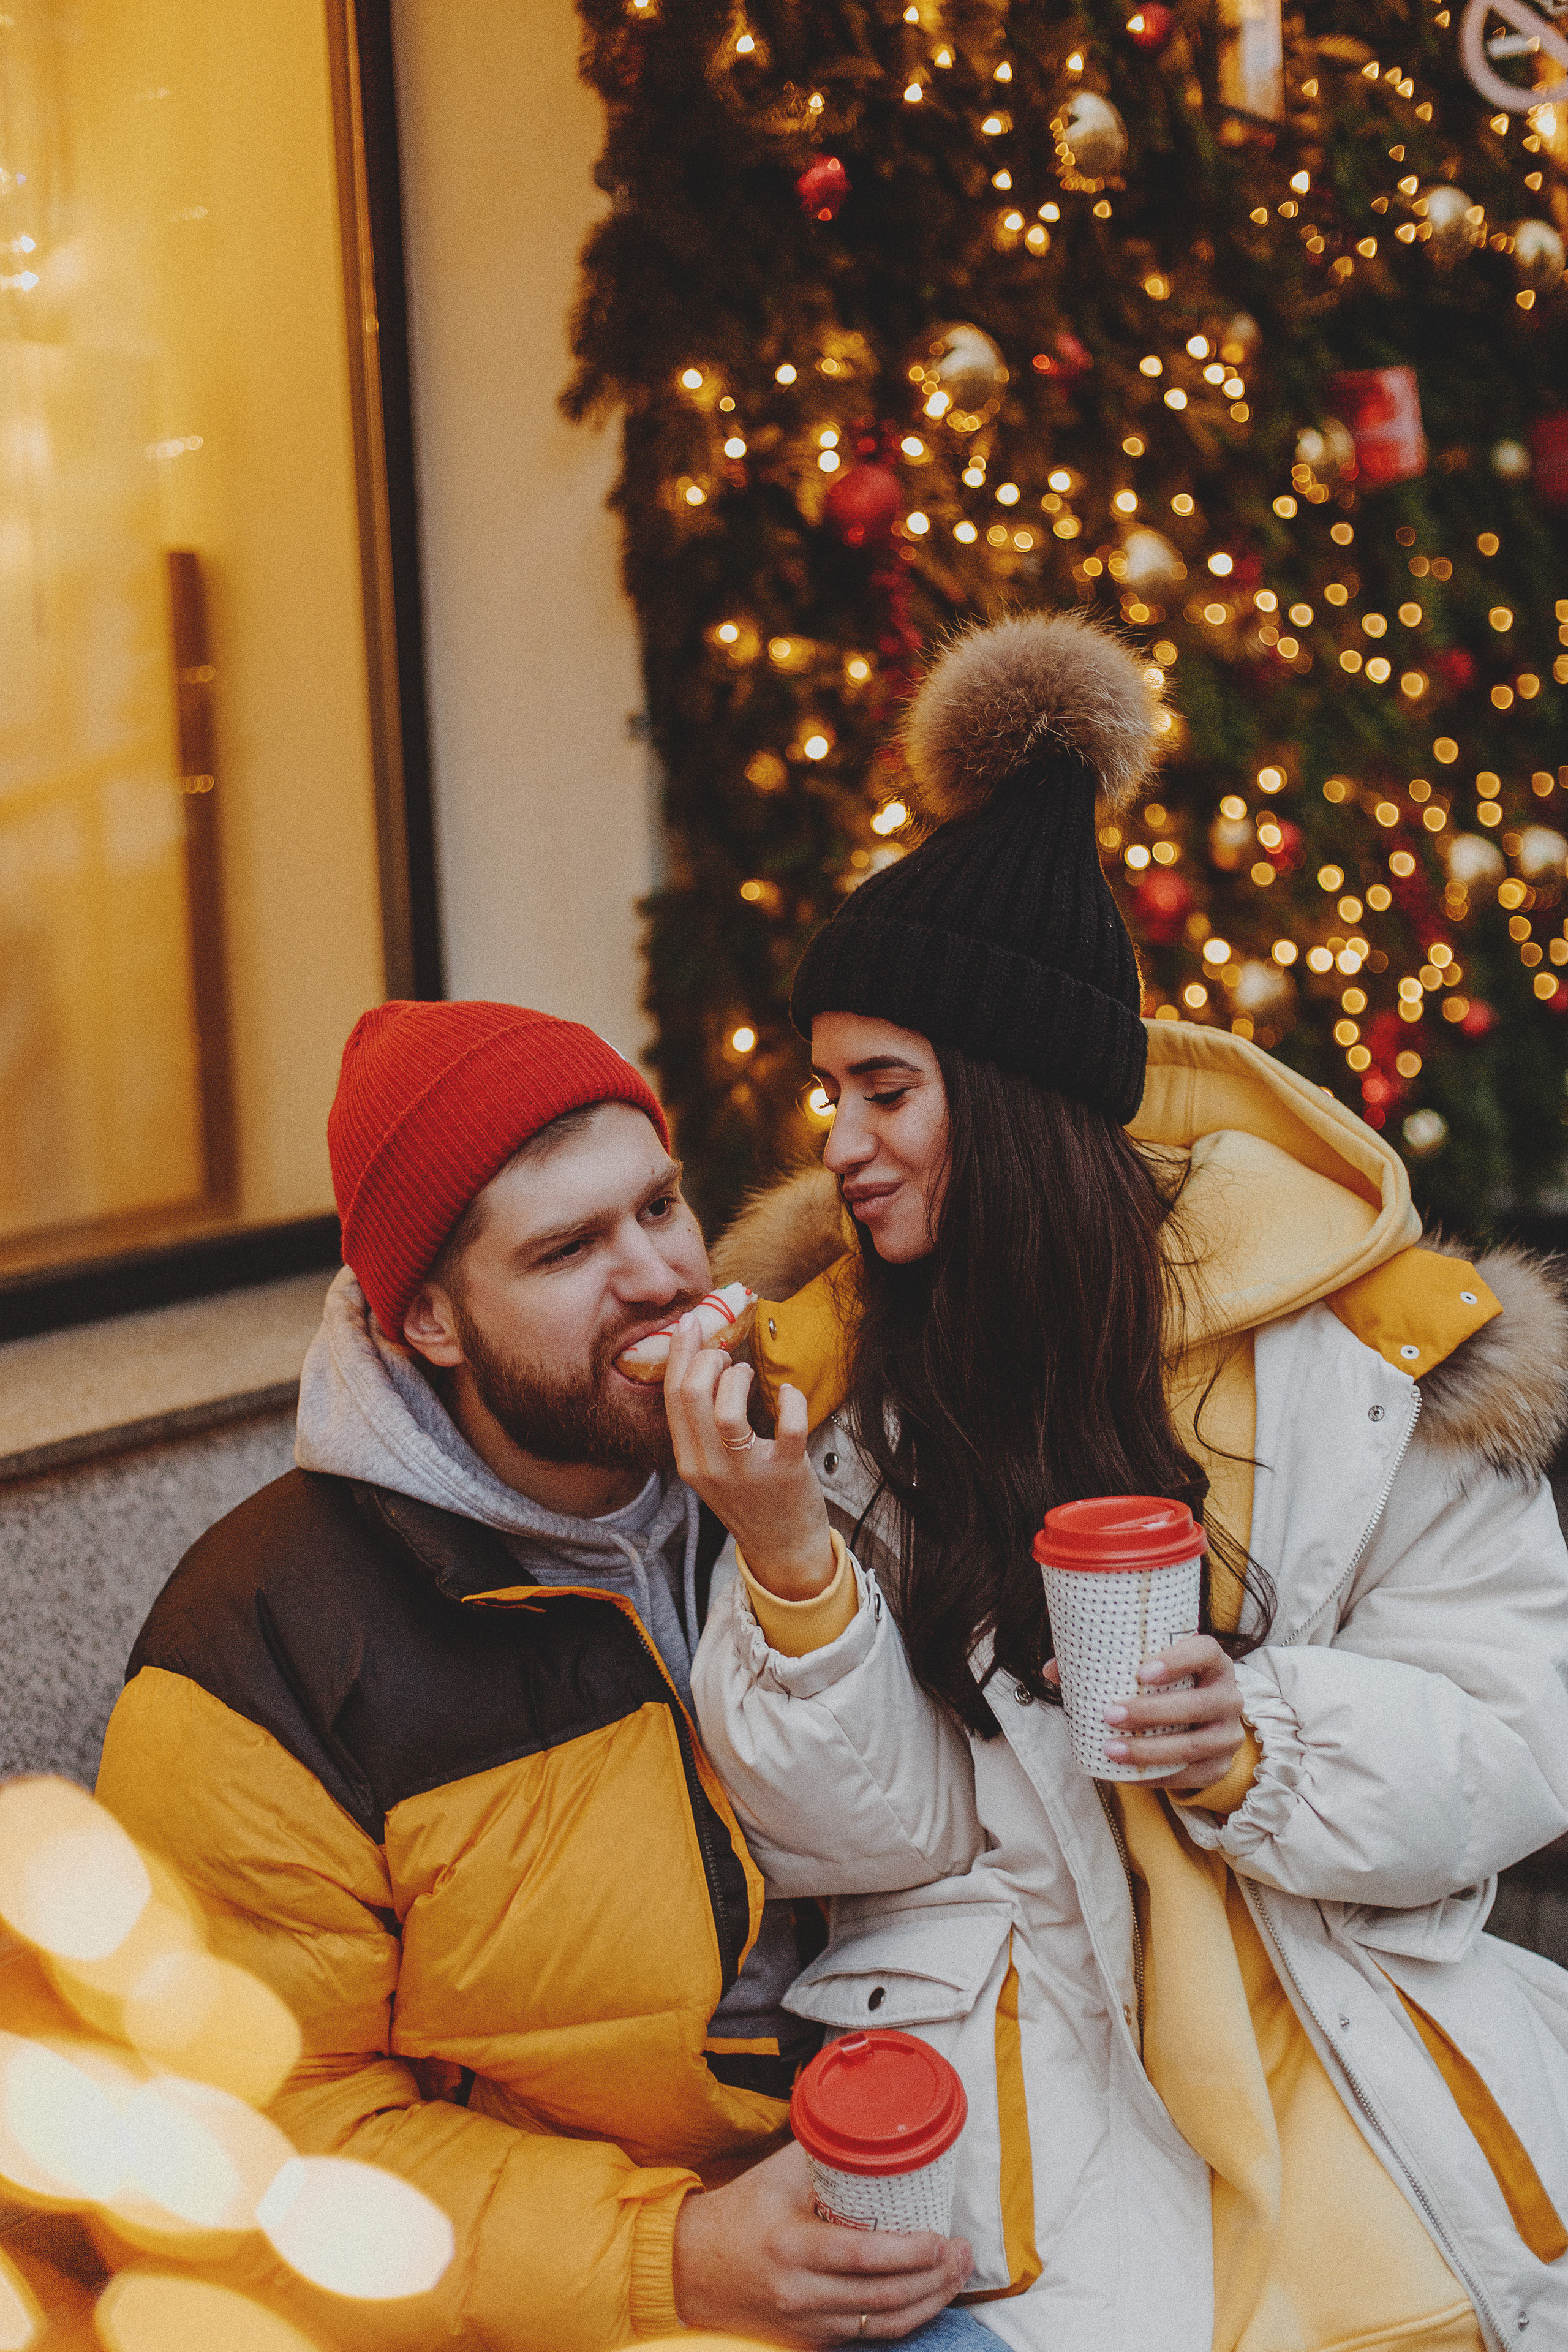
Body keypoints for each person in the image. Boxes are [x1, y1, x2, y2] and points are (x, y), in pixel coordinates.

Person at [670, 611, 1568, 2352]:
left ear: (1008, 1099)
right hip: (1027, 2087)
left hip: (1351, 2028)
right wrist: (783, 1557)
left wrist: (1263, 1741)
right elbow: (865, 1838)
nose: (837, 1145)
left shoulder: (1356, 1358)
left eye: (883, 1091)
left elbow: (1522, 1724)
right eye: (825, 1093)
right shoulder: (836, 1391)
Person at [93, 1000, 984, 2351]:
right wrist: (670, 2259)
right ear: (431, 1324)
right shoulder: (261, 1649)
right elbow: (241, 2160)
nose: (657, 1278)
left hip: (930, 2188)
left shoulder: (816, 1463)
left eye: (660, 1207)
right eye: (569, 1248)